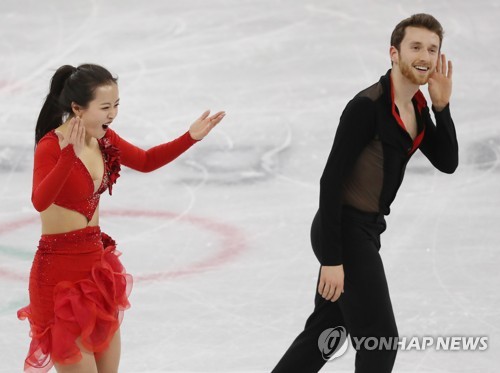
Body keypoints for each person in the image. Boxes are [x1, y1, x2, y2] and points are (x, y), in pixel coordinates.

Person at [271, 13, 458, 373]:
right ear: (394, 52)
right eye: (416, 46)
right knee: (380, 339)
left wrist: (441, 107)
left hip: (367, 232)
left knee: (327, 333)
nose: (425, 56)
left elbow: (448, 161)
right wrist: (332, 258)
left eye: (432, 49)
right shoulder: (367, 107)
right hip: (342, 230)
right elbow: (330, 182)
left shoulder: (417, 107)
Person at [17, 63, 225, 372]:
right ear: (77, 108)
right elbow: (39, 201)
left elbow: (144, 160)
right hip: (58, 279)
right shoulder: (50, 147)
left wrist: (189, 137)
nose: (112, 113)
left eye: (116, 105)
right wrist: (68, 155)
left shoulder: (103, 139)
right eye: (104, 107)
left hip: (96, 275)